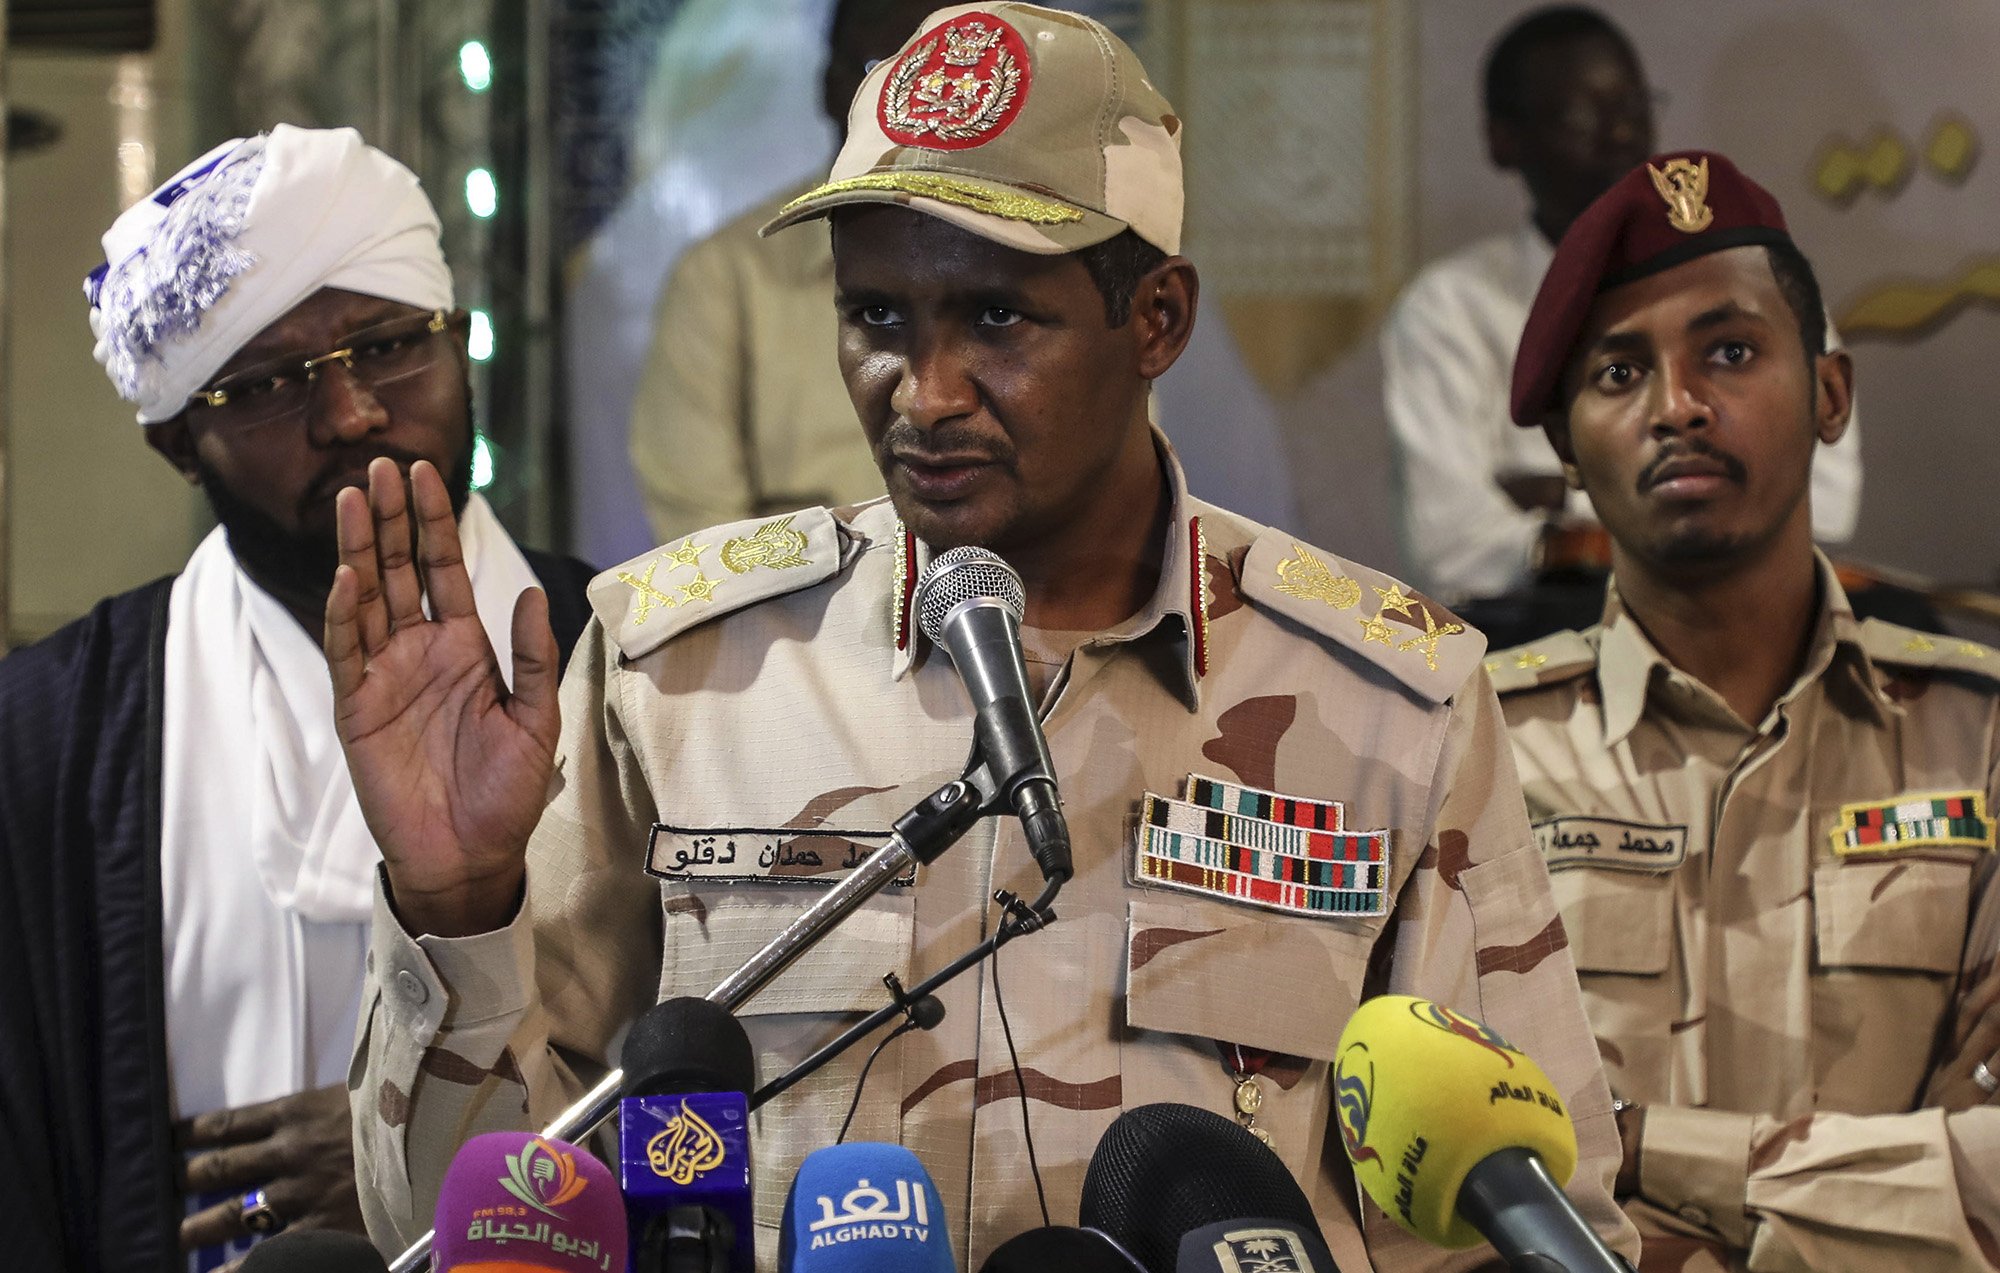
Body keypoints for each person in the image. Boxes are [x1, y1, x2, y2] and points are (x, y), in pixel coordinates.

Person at [338, 6, 1639, 1269]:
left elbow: (1525, 1221)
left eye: (999, 320)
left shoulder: (1386, 704)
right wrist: (456, 906)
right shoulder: (676, 676)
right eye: (877, 318)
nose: (925, 392)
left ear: (1158, 322)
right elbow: (466, 1232)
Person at [0, 125, 596, 1273]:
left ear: (461, 343)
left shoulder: (645, 667)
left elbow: (729, 1087)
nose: (352, 415)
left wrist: (414, 1153)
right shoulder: (45, 744)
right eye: (269, 384)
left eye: (384, 347)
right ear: (181, 441)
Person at [1490, 148, 2000, 1270]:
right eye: (1617, 373)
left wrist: (1636, 1147)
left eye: (1727, 351)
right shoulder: (1474, 751)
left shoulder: (1983, 739)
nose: (1676, 405)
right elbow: (1446, 1173)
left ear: (1828, 394)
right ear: (1563, 447)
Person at [1380, 5, 1863, 617]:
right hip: (1548, 626)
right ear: (1504, 138)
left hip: (1752, 614)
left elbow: (1829, 499)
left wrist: (1568, 509)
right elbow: (1452, 547)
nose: (1622, 134)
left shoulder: (1761, 281)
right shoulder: (1449, 307)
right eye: (1619, 375)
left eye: (1634, 107)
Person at [626, 0, 936, 541]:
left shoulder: (1057, 263)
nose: (913, 98)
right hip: (804, 617)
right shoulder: (724, 277)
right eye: (877, 71)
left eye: (942, 73)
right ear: (828, 86)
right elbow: (703, 541)